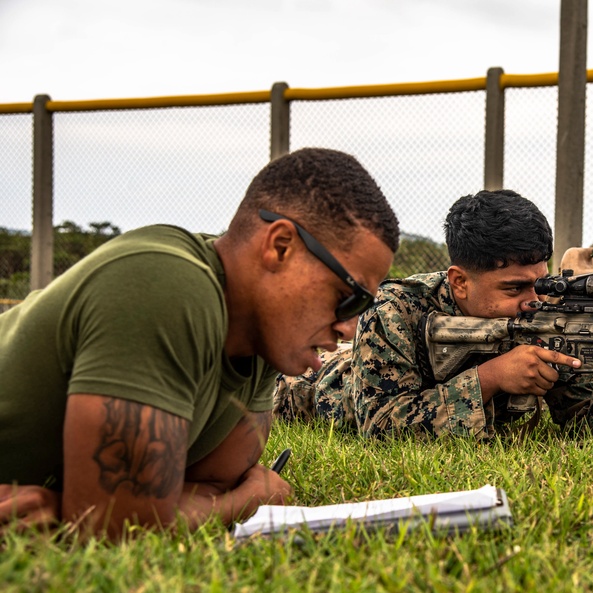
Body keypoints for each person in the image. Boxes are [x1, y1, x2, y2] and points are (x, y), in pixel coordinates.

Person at [0, 147, 400, 538]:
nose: (349, 327)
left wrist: (75, 509)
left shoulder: (263, 335)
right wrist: (248, 501)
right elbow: (119, 525)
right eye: (351, 296)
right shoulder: (166, 284)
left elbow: (204, 488)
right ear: (280, 247)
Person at [273, 189, 593, 439]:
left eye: (539, 282)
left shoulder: (546, 314)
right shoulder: (398, 308)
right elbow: (379, 425)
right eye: (513, 288)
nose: (532, 299)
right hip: (315, 387)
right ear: (460, 282)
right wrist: (492, 378)